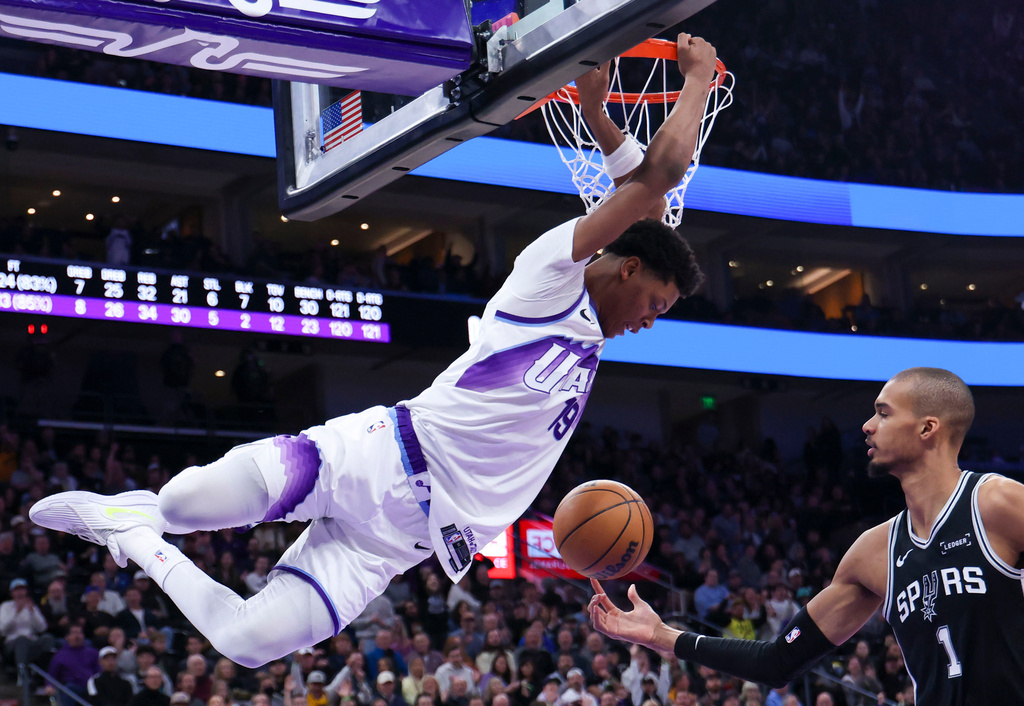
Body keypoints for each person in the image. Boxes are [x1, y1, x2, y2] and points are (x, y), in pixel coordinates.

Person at [30, 31, 718, 669]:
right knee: (184, 503)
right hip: (377, 457)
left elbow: (652, 213)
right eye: (656, 303)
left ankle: (128, 533)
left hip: (398, 543)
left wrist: (600, 120)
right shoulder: (551, 277)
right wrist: (693, 83)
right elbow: (654, 184)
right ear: (627, 269)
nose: (651, 321)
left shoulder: (602, 320)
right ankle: (151, 512)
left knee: (246, 643)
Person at [589, 367, 1024, 705]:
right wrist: (661, 635)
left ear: (928, 428)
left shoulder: (998, 504)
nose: (867, 425)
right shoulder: (873, 553)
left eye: (884, 413)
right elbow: (778, 661)